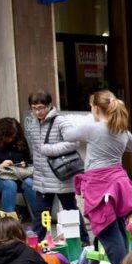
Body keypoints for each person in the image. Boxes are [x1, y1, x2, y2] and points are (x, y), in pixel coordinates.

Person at [67, 90, 132, 264]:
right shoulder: (120, 129)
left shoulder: (93, 127)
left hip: (99, 185)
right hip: (119, 181)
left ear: (95, 108)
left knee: (106, 228)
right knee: (119, 227)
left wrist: (89, 123)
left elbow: (67, 135)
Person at [25, 90, 90, 245]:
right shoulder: (33, 123)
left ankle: (83, 239)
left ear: (49, 106)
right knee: (41, 211)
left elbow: (74, 142)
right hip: (42, 175)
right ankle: (36, 242)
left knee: (69, 209)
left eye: (41, 107)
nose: (37, 111)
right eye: (34, 108)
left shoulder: (61, 121)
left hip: (61, 174)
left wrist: (50, 149)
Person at [0, 117, 38, 218]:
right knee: (10, 185)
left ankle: (39, 219)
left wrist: (25, 164)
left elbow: (30, 162)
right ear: (0, 134)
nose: (11, 139)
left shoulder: (20, 140)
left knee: (30, 183)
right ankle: (9, 221)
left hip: (18, 175)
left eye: (13, 136)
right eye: (8, 137)